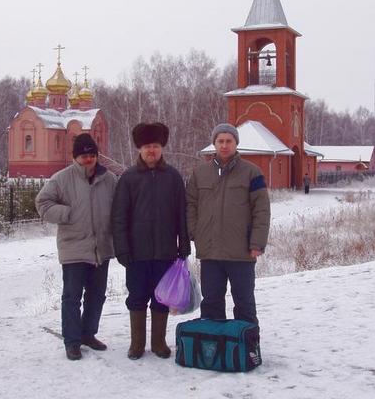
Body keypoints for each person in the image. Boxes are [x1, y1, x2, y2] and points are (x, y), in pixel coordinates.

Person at [111, 122, 191, 360]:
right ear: (140, 149)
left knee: (161, 298)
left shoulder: (173, 177)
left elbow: (182, 213)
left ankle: (158, 343)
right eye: (147, 146)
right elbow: (119, 217)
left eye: (155, 146)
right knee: (136, 297)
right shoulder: (128, 178)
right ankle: (137, 344)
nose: (151, 151)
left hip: (166, 252)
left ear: (162, 148)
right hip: (137, 253)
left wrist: (183, 245)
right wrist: (122, 249)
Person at [35, 133, 117, 361]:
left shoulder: (109, 179)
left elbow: (120, 206)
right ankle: (72, 341)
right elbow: (42, 203)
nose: (89, 159)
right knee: (72, 297)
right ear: (76, 157)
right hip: (74, 248)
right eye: (84, 156)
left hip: (101, 248)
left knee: (97, 295)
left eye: (92, 155)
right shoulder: (61, 179)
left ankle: (88, 334)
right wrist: (67, 213)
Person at [186, 123, 270, 325]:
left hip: (241, 251)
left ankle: (248, 347)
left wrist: (257, 243)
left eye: (228, 141)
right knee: (212, 303)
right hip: (210, 253)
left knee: (244, 303)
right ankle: (213, 349)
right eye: (220, 141)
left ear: (236, 143)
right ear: (214, 143)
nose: (224, 145)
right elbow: (190, 205)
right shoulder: (200, 174)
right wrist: (195, 233)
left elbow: (262, 210)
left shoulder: (252, 173)